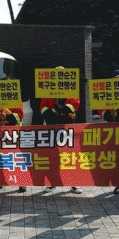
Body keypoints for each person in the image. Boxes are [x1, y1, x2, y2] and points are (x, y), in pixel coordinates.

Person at [39, 66, 82, 194]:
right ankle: (52, 183)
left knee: (69, 156)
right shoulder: (47, 91)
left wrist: (62, 109)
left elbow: (74, 106)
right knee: (53, 157)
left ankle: (74, 183)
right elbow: (42, 106)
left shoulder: (71, 90)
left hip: (67, 127)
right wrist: (49, 114)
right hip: (52, 126)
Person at [0, 104, 26, 192]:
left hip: (14, 133)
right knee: (0, 158)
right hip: (0, 133)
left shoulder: (15, 99)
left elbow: (19, 117)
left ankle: (22, 182)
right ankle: (0, 182)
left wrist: (8, 115)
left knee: (17, 158)